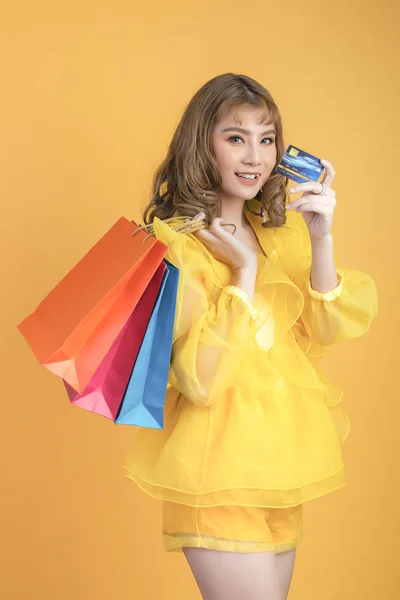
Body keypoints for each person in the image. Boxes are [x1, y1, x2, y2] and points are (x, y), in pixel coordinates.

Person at [123, 73, 378, 600]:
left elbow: (323, 332)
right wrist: (241, 276)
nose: (255, 155)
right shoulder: (177, 247)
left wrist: (321, 237)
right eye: (236, 137)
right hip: (216, 474)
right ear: (203, 143)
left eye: (267, 139)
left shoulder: (276, 235)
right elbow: (199, 381)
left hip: (280, 470)